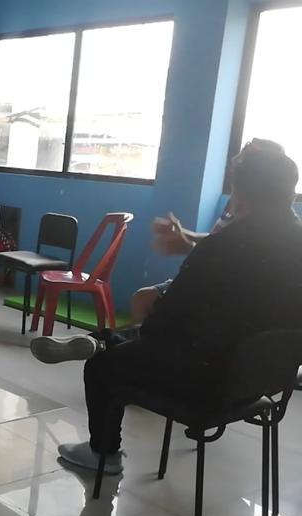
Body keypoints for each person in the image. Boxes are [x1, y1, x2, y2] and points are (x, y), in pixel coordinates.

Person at [29, 141, 302, 474]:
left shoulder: (222, 247)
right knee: (148, 337)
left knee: (102, 367)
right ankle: (102, 340)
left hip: (207, 378)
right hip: (264, 380)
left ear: (240, 194)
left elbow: (163, 323)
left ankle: (103, 452)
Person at [129, 139, 285, 323]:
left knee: (145, 300)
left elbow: (235, 266)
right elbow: (220, 240)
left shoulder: (260, 215)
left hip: (225, 293)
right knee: (143, 299)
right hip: (215, 282)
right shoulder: (238, 201)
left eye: (247, 155)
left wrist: (188, 247)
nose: (236, 159)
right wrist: (187, 234)